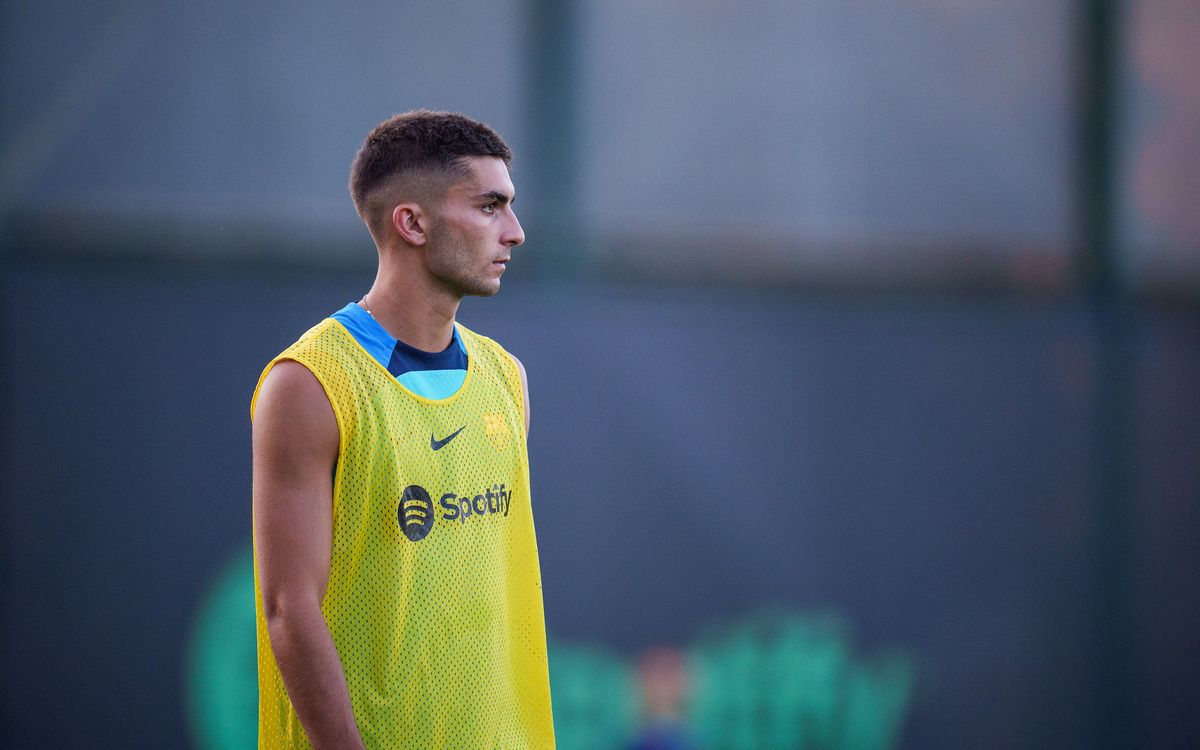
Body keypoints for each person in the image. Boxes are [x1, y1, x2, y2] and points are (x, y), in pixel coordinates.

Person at [250, 110, 554, 749]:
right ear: (412, 223)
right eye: (490, 206)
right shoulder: (309, 383)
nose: (516, 232)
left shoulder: (507, 378)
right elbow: (289, 609)